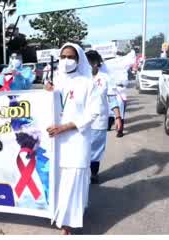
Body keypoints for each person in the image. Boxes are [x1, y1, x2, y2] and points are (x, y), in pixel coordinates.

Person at [44, 43, 105, 234]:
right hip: (56, 140)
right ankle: (63, 213)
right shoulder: (57, 82)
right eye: (62, 57)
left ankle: (68, 224)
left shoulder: (88, 83)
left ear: (79, 60)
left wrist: (66, 127)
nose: (66, 60)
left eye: (70, 57)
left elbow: (93, 113)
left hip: (77, 139)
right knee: (60, 180)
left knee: (74, 178)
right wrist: (48, 94)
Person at [85, 50, 123, 184]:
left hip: (99, 120)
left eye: (88, 62)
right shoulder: (81, 78)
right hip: (81, 121)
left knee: (95, 150)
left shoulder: (105, 78)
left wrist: (118, 117)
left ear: (95, 63)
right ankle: (82, 174)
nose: (86, 65)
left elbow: (112, 98)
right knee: (82, 148)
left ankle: (93, 174)